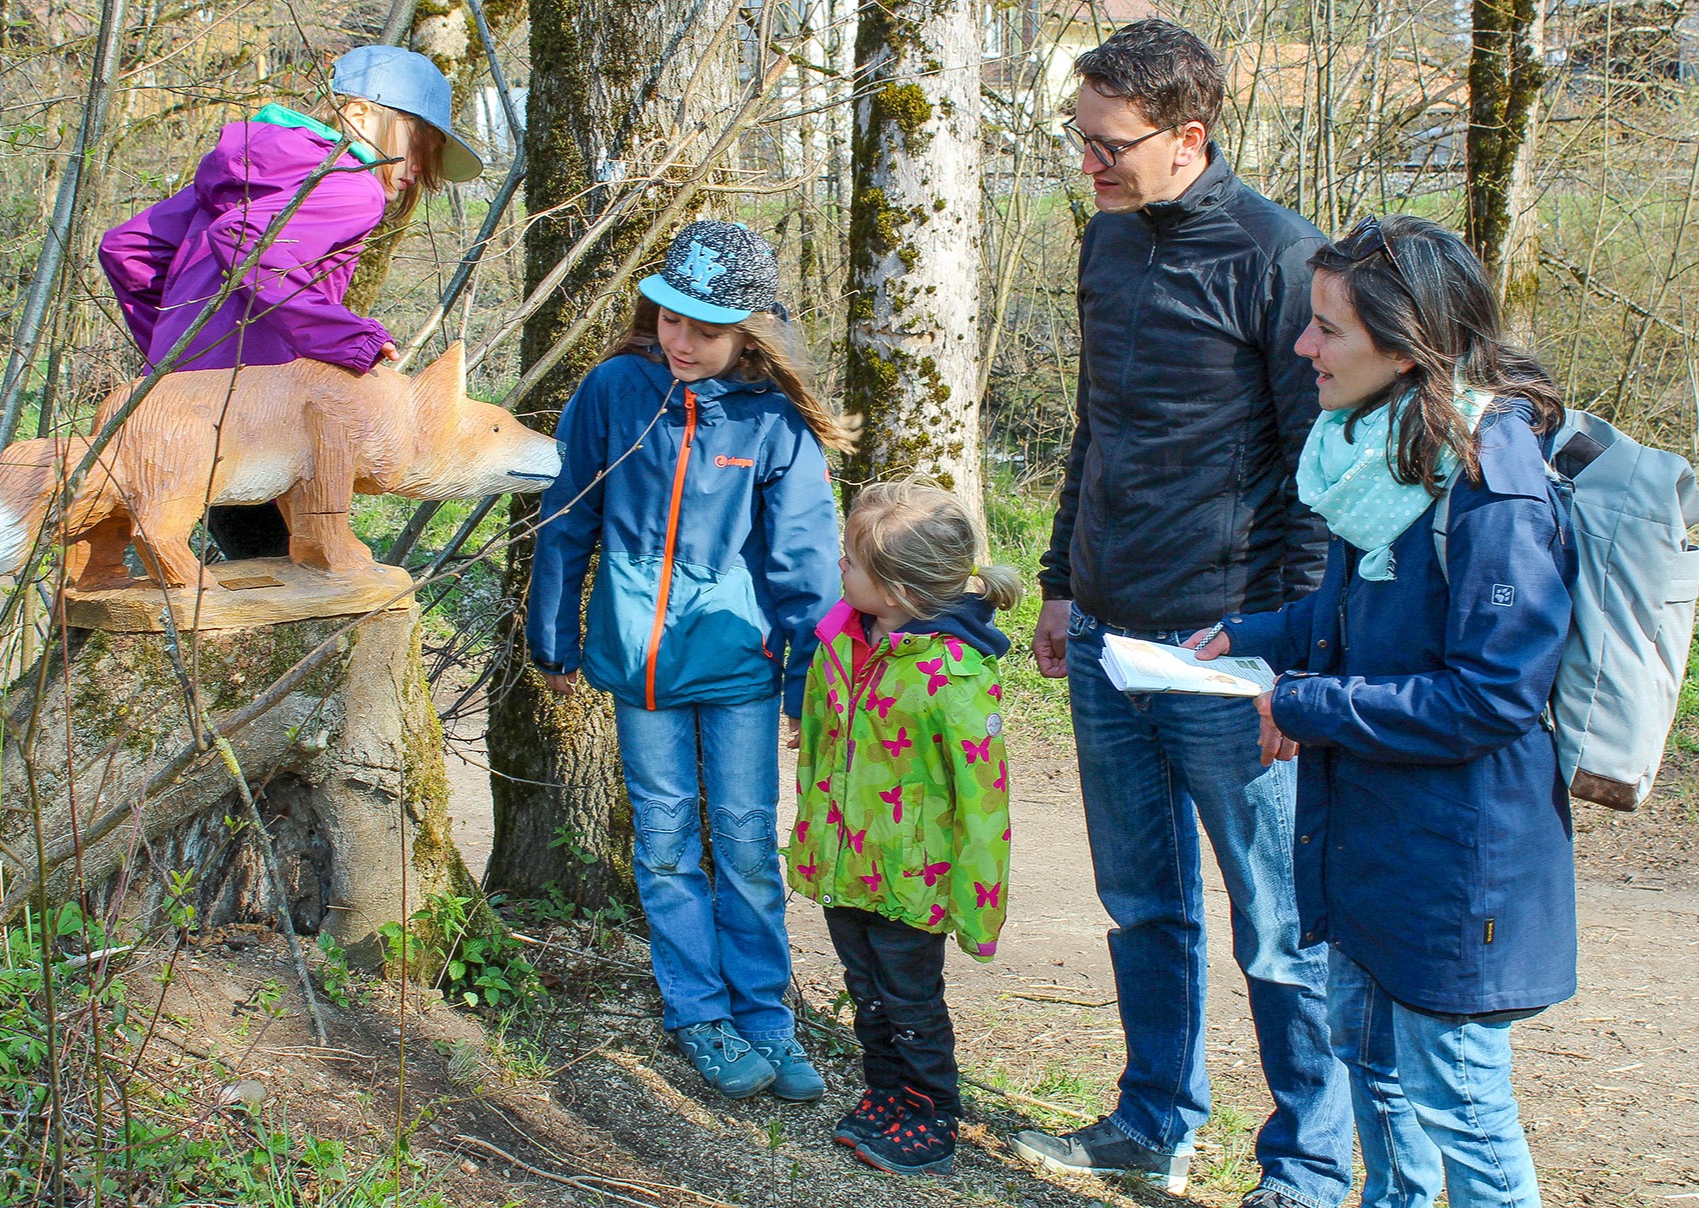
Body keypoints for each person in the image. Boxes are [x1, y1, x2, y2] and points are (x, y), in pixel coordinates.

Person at [1014, 19, 1353, 1208]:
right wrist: (1061, 580)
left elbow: (1320, 480)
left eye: (1107, 144)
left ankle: (1307, 1164)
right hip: (1109, 630)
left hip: (1230, 644)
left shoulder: (1279, 259)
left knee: (1277, 924)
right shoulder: (1105, 242)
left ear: (1189, 137)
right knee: (1142, 901)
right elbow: (1095, 427)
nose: (1089, 163)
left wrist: (1289, 665)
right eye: (1080, 139)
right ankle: (1153, 1119)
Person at [1189, 215, 1575, 1208]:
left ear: (1406, 347)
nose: (1302, 346)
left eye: (1327, 329)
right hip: (1371, 845)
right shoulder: (1385, 449)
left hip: (1457, 867)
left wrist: (1306, 701)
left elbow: (1491, 695)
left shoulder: (1493, 483)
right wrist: (1255, 633)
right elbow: (1365, 610)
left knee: (1462, 1111)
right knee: (1376, 1074)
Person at [526, 220, 854, 1103]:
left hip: (739, 668)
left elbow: (805, 569)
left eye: (706, 331)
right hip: (637, 669)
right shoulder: (612, 390)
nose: (682, 342)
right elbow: (568, 518)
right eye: (673, 320)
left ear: (749, 330)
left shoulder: (774, 421)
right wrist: (552, 638)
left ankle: (767, 1016)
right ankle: (697, 1011)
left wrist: (801, 682)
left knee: (746, 845)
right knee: (667, 844)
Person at [98, 44, 482, 559]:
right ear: (359, 112)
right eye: (417, 142)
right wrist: (349, 338)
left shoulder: (248, 174)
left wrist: (177, 350)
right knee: (302, 574)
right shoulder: (350, 185)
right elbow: (245, 244)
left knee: (256, 559)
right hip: (255, 412)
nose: (416, 167)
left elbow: (125, 249)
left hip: (178, 400)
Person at [784, 480, 1018, 1177]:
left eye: (850, 563)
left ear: (896, 588)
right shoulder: (839, 645)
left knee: (911, 1001)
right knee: (866, 992)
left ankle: (931, 1115)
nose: (838, 571)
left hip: (912, 880)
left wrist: (979, 905)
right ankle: (886, 1095)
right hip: (845, 866)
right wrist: (811, 842)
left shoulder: (953, 674)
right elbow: (819, 751)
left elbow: (984, 803)